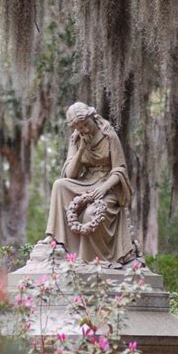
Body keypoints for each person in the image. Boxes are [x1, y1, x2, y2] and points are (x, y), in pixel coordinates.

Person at [44, 102, 136, 264]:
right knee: (59, 185)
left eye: (86, 125)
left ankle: (88, 258)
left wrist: (104, 188)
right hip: (86, 182)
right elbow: (70, 174)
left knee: (90, 214)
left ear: (92, 117)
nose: (84, 130)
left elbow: (120, 170)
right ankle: (54, 237)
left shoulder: (109, 136)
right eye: (79, 128)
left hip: (108, 185)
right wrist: (80, 149)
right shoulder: (77, 139)